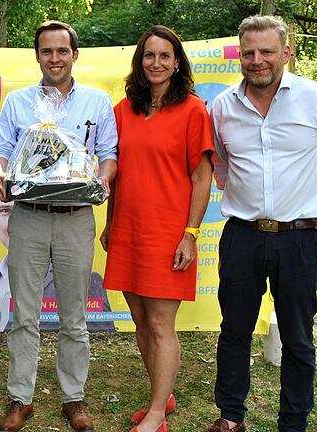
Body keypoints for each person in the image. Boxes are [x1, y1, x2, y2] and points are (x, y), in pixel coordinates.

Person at [208, 15, 317, 432]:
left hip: (299, 239)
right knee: (234, 329)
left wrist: (300, 203)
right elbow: (220, 163)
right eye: (249, 52)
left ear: (286, 53)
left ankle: (293, 422)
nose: (258, 60)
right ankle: (231, 416)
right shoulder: (222, 106)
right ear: (240, 55)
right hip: (242, 237)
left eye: (267, 51)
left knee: (297, 336)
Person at [0, 20, 118, 432]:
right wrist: (2, 176)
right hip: (29, 216)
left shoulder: (97, 103)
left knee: (74, 315)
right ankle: (20, 397)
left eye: (62, 51)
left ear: (74, 55)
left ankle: (74, 398)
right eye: (47, 51)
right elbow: (3, 153)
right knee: (24, 313)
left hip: (76, 218)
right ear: (37, 56)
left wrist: (102, 180)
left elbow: (109, 154)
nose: (55, 58)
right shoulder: (18, 103)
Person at [100, 26, 214, 432]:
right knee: (141, 319)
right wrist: (111, 223)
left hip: (169, 232)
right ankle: (161, 397)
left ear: (177, 62)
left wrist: (191, 233)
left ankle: (154, 415)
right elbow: (116, 172)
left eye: (165, 56)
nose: (156, 63)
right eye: (149, 56)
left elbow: (202, 179)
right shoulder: (122, 111)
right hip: (129, 229)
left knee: (162, 325)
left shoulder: (193, 110)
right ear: (139, 61)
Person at [0, 188, 114, 333]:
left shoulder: (89, 280)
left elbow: (98, 339)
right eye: (5, 211)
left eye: (25, 209)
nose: (15, 220)